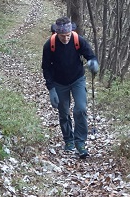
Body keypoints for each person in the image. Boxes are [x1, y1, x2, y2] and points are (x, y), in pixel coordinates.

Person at [41, 16, 99, 157]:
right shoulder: (50, 45)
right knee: (64, 112)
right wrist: (51, 89)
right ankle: (68, 139)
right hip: (59, 83)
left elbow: (90, 55)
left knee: (80, 108)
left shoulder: (78, 40)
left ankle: (80, 142)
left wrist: (93, 63)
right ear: (56, 33)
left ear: (71, 32)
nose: (66, 39)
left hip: (77, 79)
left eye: (67, 36)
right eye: (63, 36)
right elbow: (46, 68)